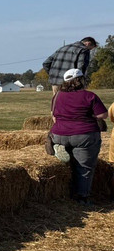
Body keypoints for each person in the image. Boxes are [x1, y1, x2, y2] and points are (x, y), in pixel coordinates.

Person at [50, 67, 108, 204]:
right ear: (81, 80)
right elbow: (103, 115)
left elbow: (53, 117)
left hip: (59, 133)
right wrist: (91, 115)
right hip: (84, 135)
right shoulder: (89, 96)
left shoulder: (57, 96)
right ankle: (82, 197)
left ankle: (60, 147)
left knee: (68, 163)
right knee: (85, 167)